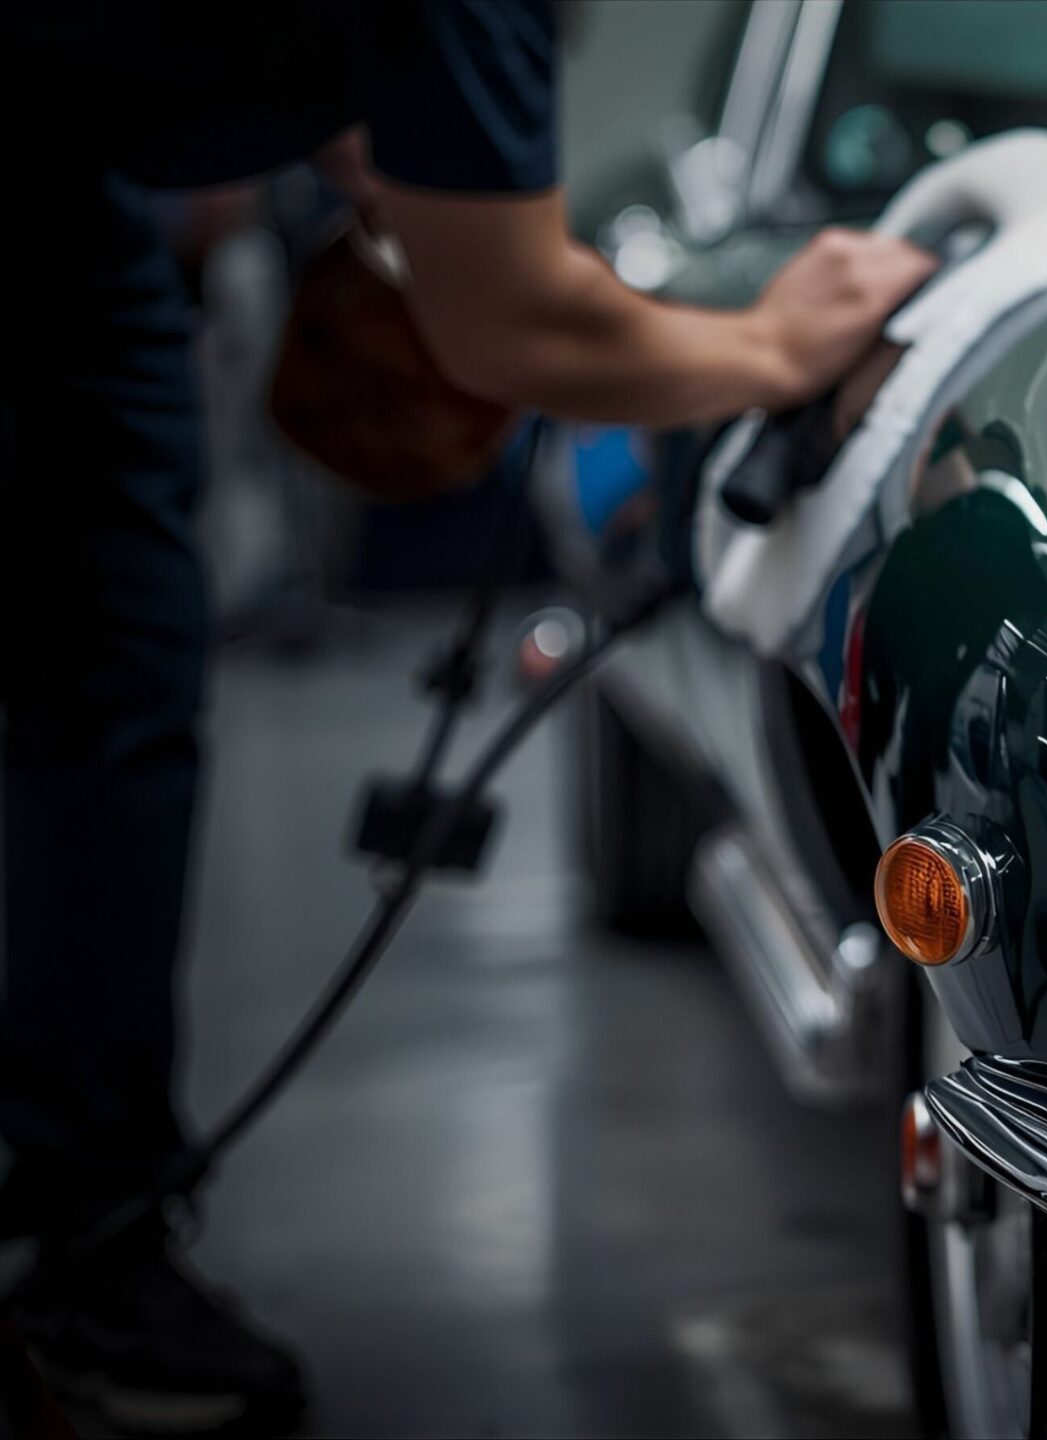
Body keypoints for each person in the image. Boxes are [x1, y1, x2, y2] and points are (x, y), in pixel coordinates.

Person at [0, 3, 933, 1429]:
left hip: (64, 177)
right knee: (103, 675)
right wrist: (768, 342)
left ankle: (89, 1246)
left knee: (115, 674)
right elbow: (517, 323)